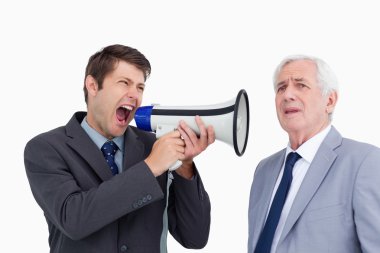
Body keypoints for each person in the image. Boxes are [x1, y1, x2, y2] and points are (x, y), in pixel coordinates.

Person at [24, 44, 215, 253]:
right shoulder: (45, 149)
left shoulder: (154, 145)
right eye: (124, 83)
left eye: (140, 87)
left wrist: (184, 166)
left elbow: (195, 237)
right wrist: (150, 167)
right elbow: (73, 219)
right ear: (93, 85)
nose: (135, 95)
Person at [248, 55, 380, 253]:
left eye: (301, 85)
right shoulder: (263, 171)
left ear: (330, 100)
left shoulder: (364, 162)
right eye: (281, 88)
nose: (287, 95)